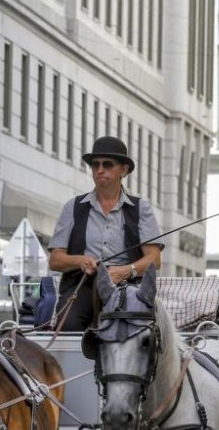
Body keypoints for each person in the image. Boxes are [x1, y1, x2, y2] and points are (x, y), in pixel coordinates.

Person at [48, 135, 164, 331]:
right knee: (67, 324)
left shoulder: (140, 208)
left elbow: (154, 259)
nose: (100, 170)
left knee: (132, 330)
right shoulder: (74, 207)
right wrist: (80, 261)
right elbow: (55, 260)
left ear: (124, 170)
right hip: (83, 285)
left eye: (108, 164)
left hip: (126, 287)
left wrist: (127, 271)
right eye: (95, 165)